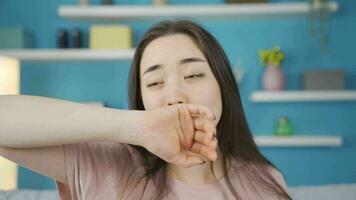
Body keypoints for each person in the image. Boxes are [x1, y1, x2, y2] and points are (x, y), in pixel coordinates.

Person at [0, 20, 291, 200]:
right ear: (140, 100)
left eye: (193, 75)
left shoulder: (266, 181)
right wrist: (135, 127)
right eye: (155, 82)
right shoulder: (105, 164)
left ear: (223, 86)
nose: (175, 96)